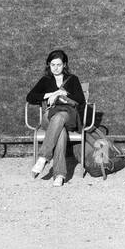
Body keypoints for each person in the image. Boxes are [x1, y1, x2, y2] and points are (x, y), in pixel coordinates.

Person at [26, 50, 86, 187]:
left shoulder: (73, 79)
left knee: (60, 121)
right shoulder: (46, 80)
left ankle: (43, 158)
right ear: (49, 65)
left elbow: (81, 100)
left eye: (59, 64)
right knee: (59, 127)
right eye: (52, 64)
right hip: (49, 117)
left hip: (68, 116)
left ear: (64, 64)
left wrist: (63, 94)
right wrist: (50, 94)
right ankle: (59, 175)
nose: (55, 68)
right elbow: (30, 97)